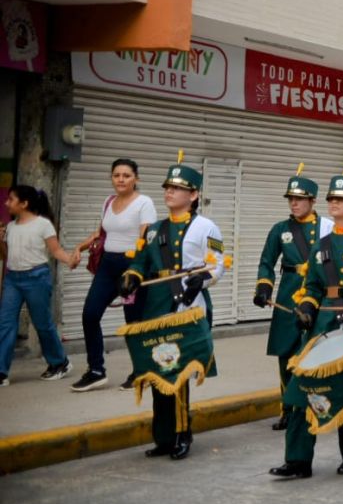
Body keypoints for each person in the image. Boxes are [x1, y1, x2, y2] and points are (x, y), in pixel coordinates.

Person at [272, 166, 343, 479]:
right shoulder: (321, 243)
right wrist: (307, 308)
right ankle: (297, 461)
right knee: (299, 391)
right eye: (332, 198)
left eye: (342, 198)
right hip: (322, 324)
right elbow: (311, 286)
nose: (334, 203)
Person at [117, 157, 225, 459]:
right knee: (156, 369)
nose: (169, 192)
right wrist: (131, 277)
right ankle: (163, 437)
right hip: (156, 305)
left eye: (177, 188)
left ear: (193, 195)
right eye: (167, 187)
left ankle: (181, 434)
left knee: (176, 369)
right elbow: (141, 261)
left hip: (187, 305)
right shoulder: (153, 230)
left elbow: (217, 265)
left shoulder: (207, 227)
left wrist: (201, 280)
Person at [253, 166, 332, 430]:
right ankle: (288, 408)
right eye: (291, 199)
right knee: (286, 354)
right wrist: (264, 288)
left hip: (319, 295)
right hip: (288, 295)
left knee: (317, 351)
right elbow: (266, 263)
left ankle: (320, 405)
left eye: (300, 199)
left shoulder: (328, 228)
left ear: (313, 201)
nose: (294, 203)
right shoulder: (280, 230)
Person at [71, 159, 156, 392]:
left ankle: (142, 371)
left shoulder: (144, 203)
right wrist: (79, 248)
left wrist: (135, 271)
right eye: (116, 175)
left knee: (133, 322)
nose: (120, 179)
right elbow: (100, 233)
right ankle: (96, 371)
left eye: (126, 175)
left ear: (135, 179)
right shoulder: (108, 201)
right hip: (108, 266)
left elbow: (146, 240)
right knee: (90, 314)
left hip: (133, 267)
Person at [0, 186, 80, 386]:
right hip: (13, 279)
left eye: (11, 199)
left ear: (24, 204)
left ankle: (59, 362)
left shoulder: (43, 224)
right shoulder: (11, 226)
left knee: (42, 323)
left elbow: (55, 250)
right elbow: (6, 255)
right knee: (5, 324)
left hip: (36, 277)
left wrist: (70, 260)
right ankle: (1, 372)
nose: (6, 203)